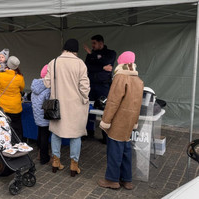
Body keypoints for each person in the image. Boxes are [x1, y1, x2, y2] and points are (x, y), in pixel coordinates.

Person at [44, 39, 90, 177]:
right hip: (75, 106)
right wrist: (85, 99)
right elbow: (84, 87)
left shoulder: (54, 62)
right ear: (76, 50)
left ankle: (56, 162)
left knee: (56, 133)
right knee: (75, 136)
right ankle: (73, 166)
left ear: (64, 48)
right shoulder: (80, 63)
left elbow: (46, 83)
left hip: (57, 106)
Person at [97, 51, 144, 190]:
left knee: (114, 151)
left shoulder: (120, 78)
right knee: (126, 150)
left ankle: (112, 180)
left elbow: (112, 102)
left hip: (119, 121)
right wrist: (135, 121)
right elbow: (138, 104)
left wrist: (105, 120)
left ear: (121, 63)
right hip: (130, 121)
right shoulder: (138, 80)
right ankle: (126, 180)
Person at [84, 35, 116, 143]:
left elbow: (107, 62)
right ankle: (88, 132)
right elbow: (87, 67)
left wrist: (93, 55)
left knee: (105, 110)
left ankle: (105, 136)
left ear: (101, 43)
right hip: (91, 85)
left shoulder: (110, 53)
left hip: (104, 86)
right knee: (88, 108)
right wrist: (102, 67)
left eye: (94, 43)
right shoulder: (90, 55)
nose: (92, 46)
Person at [0, 56, 25, 141]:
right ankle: (17, 145)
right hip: (15, 107)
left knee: (2, 128)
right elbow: (21, 88)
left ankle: (4, 147)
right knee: (17, 128)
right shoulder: (20, 77)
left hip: (2, 107)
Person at [31, 64, 51, 165]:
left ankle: (39, 153)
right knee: (44, 136)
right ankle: (44, 157)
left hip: (37, 114)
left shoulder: (35, 85)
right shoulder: (47, 88)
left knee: (40, 133)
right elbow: (50, 101)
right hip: (45, 115)